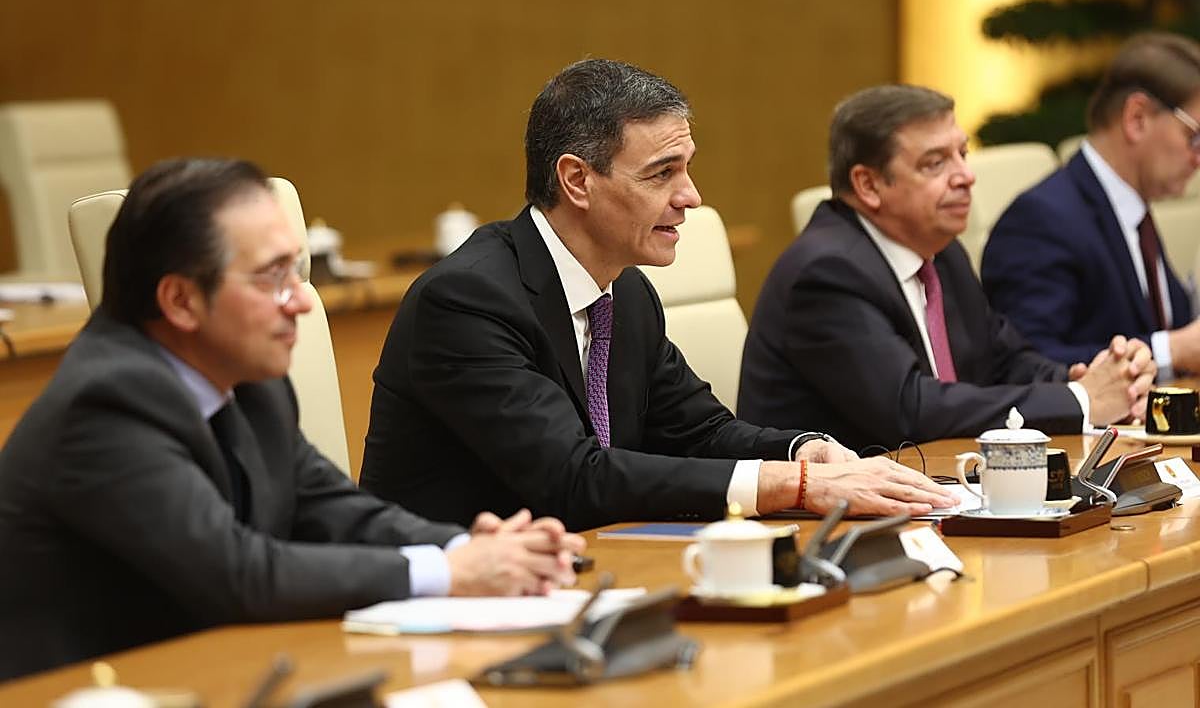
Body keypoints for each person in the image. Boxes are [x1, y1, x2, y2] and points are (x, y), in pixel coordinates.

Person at [0, 159, 583, 682]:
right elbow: (237, 575)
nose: (303, 300)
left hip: (211, 676)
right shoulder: (107, 403)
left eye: (298, 272)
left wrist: (480, 549)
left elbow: (330, 506)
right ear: (180, 301)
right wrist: (450, 570)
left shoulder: (248, 378)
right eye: (272, 277)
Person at [360, 59, 954, 532]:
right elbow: (572, 477)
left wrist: (807, 451)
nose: (691, 196)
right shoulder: (468, 300)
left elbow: (702, 433)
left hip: (583, 572)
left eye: (687, 169)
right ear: (577, 181)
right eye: (661, 174)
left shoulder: (627, 293)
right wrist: (789, 487)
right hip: (447, 609)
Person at [737, 84, 1155, 452]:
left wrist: (1093, 378)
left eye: (962, 153)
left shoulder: (942, 252)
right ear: (868, 185)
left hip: (936, 492)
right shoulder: (828, 273)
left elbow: (1004, 358)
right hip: (831, 524)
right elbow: (911, 410)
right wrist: (1080, 401)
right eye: (935, 163)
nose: (966, 176)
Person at [982, 32, 1200, 376]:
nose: (1197, 159)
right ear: (1137, 119)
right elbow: (1026, 365)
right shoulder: (1041, 219)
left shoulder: (1135, 212)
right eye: (1195, 137)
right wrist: (1170, 351)